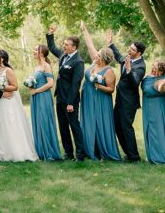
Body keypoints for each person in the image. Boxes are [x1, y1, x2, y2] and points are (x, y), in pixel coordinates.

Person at [79, 21, 121, 161]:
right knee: (89, 123)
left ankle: (104, 151)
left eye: (98, 56)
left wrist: (99, 86)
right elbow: (90, 45)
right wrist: (85, 30)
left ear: (103, 58)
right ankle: (89, 150)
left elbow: (111, 89)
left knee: (100, 124)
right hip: (88, 98)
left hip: (101, 100)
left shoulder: (109, 71)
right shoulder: (93, 63)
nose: (95, 57)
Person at [0, 49, 38, 162]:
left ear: (3, 58)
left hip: (8, 101)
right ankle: (0, 152)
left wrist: (1, 86)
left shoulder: (8, 70)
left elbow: (15, 86)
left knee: (9, 123)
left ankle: (15, 152)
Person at [45, 26, 85, 161]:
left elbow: (76, 84)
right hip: (60, 97)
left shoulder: (78, 62)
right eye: (64, 44)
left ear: (74, 47)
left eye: (66, 45)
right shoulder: (63, 55)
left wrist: (70, 103)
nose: (64, 46)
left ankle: (80, 154)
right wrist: (50, 34)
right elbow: (52, 48)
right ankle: (68, 153)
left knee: (74, 126)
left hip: (70, 100)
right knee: (63, 126)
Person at [107, 31, 146, 161]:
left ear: (139, 53)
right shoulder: (127, 59)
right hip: (120, 100)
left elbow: (135, 82)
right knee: (117, 126)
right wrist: (111, 43)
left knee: (126, 127)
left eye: (132, 49)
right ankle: (128, 154)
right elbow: (118, 57)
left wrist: (129, 70)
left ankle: (134, 156)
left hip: (129, 102)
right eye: (130, 47)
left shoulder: (140, 66)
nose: (129, 50)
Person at [26, 44, 61, 160]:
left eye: (36, 50)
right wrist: (30, 86)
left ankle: (49, 151)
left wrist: (36, 91)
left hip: (43, 97)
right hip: (35, 98)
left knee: (44, 121)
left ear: (41, 53)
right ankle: (40, 150)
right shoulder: (36, 68)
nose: (34, 51)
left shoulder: (46, 66)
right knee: (37, 122)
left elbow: (50, 83)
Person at [141, 59, 165, 165]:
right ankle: (151, 155)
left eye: (155, 67)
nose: (153, 69)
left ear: (162, 71)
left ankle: (160, 157)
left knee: (158, 131)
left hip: (158, 108)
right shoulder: (148, 77)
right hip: (147, 107)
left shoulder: (163, 80)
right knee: (149, 130)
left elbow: (160, 88)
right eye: (153, 66)